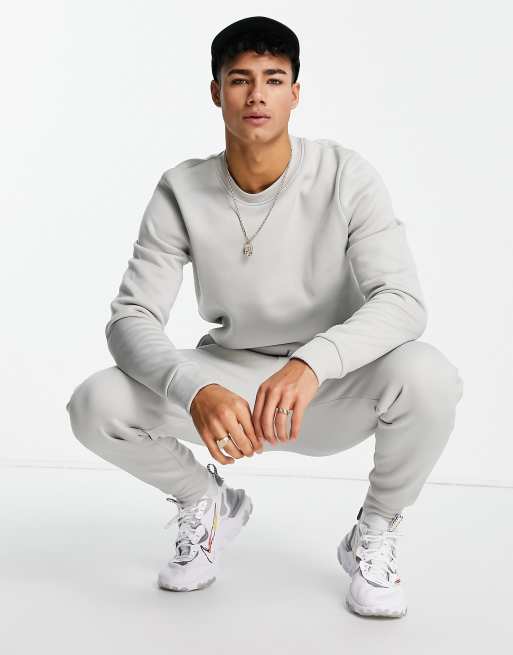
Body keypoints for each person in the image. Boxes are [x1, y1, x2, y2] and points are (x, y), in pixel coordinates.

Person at [66, 16, 463, 617]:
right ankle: (206, 502)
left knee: (430, 377)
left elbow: (402, 301)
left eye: (274, 79)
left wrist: (312, 363)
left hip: (328, 387)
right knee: (96, 403)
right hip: (231, 387)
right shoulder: (181, 190)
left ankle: (374, 531)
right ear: (216, 92)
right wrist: (194, 388)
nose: (257, 95)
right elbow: (131, 318)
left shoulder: (345, 175)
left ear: (295, 93)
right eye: (240, 80)